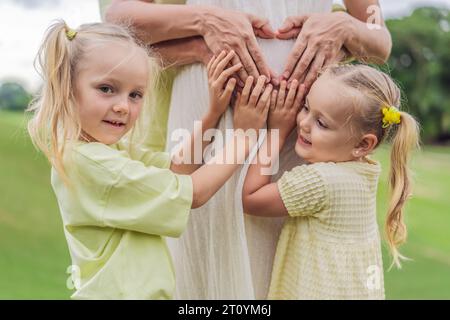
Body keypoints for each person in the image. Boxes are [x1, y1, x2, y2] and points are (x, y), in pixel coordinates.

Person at [101, 0, 393, 299]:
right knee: (204, 272)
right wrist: (202, 29)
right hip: (205, 124)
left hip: (296, 138)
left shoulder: (322, 173)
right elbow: (118, 20)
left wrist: (345, 27)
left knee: (285, 269)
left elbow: (379, 39)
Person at [27, 20, 272, 299]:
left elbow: (177, 168)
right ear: (67, 88)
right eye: (106, 88)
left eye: (135, 95)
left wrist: (212, 115)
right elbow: (193, 192)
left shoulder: (107, 151)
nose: (122, 106)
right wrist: (244, 137)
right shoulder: (92, 164)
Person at [242, 64, 420, 299]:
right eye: (306, 108)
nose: (304, 123)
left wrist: (276, 131)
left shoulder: (321, 181)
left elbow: (251, 199)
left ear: (363, 145)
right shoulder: (364, 172)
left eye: (322, 123)